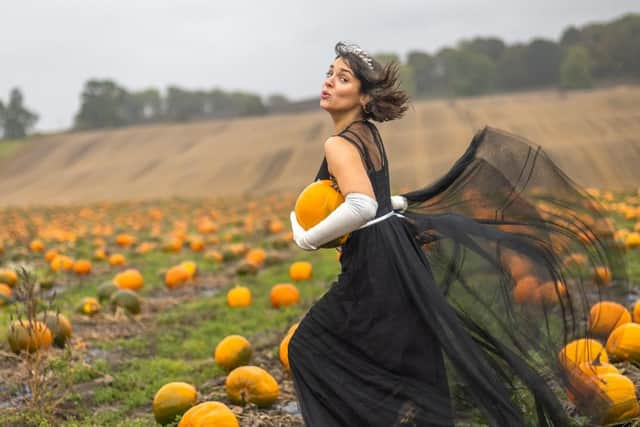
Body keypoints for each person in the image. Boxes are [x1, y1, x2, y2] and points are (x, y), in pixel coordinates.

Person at [287, 41, 629, 426]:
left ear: (364, 97)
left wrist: (308, 237)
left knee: (307, 347)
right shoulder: (365, 134)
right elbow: (375, 197)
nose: (330, 82)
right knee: (397, 357)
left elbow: (362, 205)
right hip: (393, 254)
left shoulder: (339, 143)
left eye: (343, 78)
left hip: (375, 262)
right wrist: (396, 202)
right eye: (329, 73)